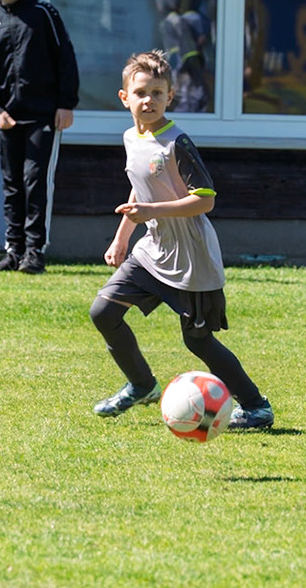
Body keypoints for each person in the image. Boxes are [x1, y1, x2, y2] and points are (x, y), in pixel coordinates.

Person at [89, 51, 274, 431]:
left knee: (198, 341)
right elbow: (140, 187)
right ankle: (142, 385)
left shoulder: (177, 143)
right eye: (141, 93)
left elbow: (205, 200)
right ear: (124, 97)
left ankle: (257, 408)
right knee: (103, 312)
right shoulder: (131, 137)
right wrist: (122, 237)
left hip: (191, 256)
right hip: (152, 249)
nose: (149, 100)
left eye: (157, 93)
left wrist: (151, 212)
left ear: (170, 96)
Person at [0, 0, 78, 275]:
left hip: (43, 115)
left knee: (35, 180)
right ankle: (13, 250)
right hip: (7, 118)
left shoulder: (43, 14)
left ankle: (35, 251)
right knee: (12, 184)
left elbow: (65, 58)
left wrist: (65, 103)